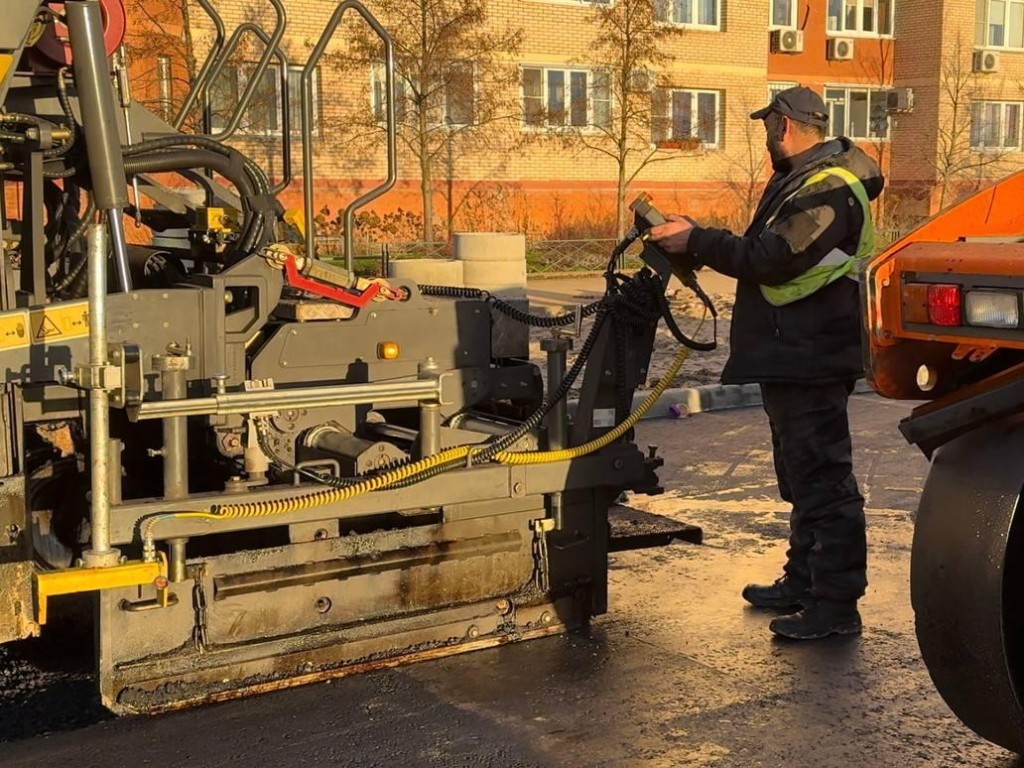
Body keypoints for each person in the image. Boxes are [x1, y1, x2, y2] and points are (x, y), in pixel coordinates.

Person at [648, 86, 884, 641]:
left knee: (824, 481)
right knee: (802, 476)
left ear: (783, 125)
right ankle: (803, 581)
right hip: (792, 352)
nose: (765, 136)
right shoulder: (805, 178)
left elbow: (772, 260)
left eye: (766, 126)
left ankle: (836, 605)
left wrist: (696, 240)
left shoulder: (830, 187)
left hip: (812, 354)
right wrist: (695, 237)